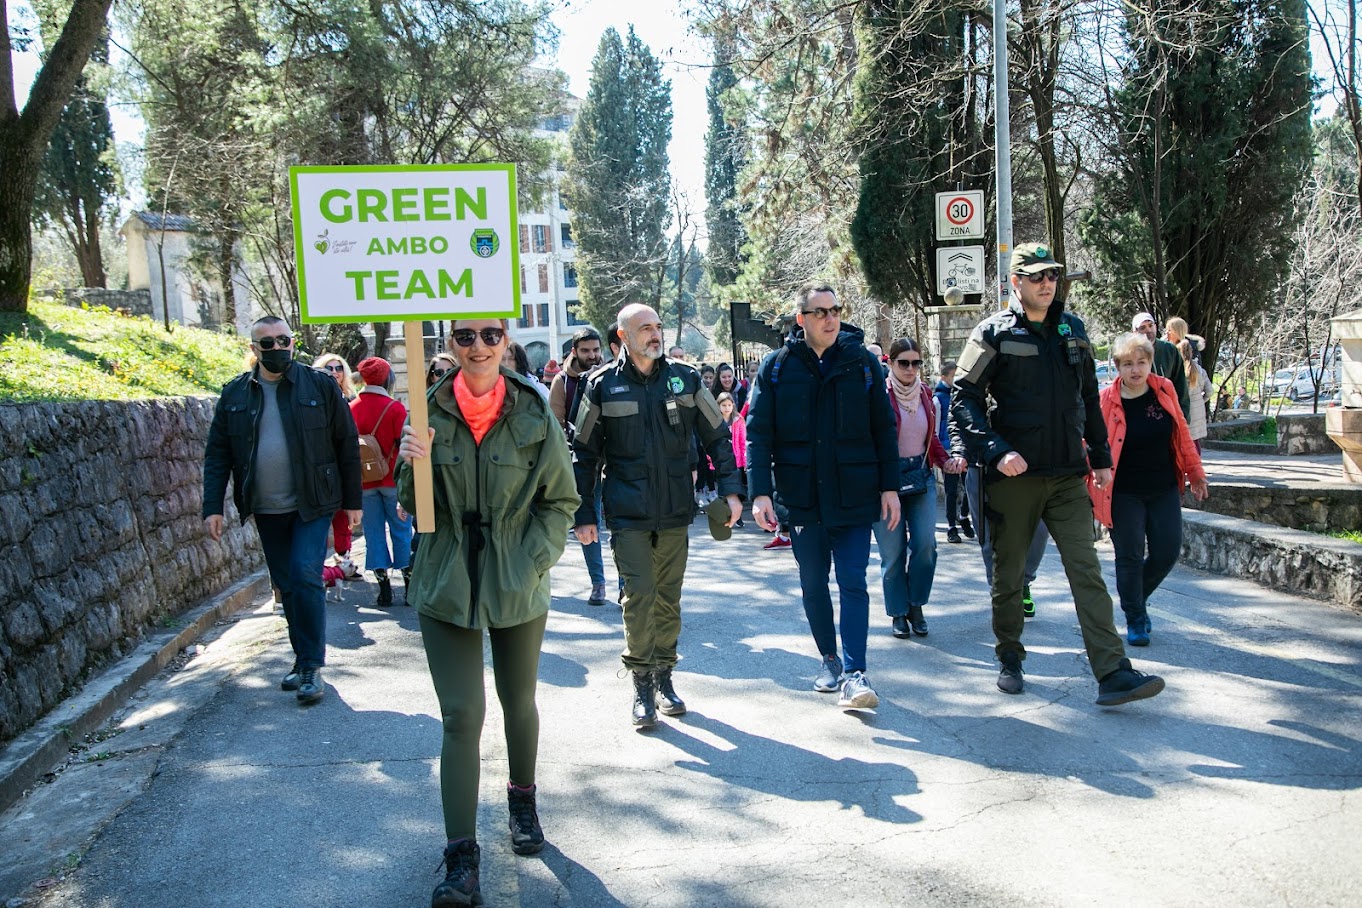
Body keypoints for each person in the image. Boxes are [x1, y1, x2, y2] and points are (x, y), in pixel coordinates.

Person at [395, 318, 578, 908]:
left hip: (515, 574)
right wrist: (407, 461)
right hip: (446, 579)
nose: (477, 347)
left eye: (490, 336)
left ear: (506, 343)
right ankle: (461, 858)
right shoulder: (425, 411)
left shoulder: (531, 408)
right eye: (465, 337)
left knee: (517, 699)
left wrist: (531, 559)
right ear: (451, 344)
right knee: (459, 716)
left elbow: (562, 499)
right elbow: (411, 507)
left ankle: (522, 799)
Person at [952, 243, 1165, 706]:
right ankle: (1010, 654)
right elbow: (962, 398)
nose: (1047, 283)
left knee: (1086, 571)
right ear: (1016, 283)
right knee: (1009, 577)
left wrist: (1103, 457)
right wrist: (994, 449)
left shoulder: (1075, 332)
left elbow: (1089, 398)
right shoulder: (993, 334)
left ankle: (1112, 672)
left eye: (1051, 275)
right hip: (1013, 479)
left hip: (1068, 475)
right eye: (1036, 277)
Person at [572, 303, 742, 727]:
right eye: (644, 328)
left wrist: (732, 491)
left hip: (674, 510)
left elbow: (718, 437)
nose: (654, 333)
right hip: (626, 511)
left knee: (668, 596)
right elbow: (584, 453)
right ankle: (641, 684)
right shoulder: (601, 385)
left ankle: (665, 677)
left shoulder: (683, 379)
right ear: (624, 338)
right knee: (639, 594)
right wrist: (582, 514)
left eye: (658, 326)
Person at [746, 282, 901, 711]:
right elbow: (758, 434)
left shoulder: (864, 363)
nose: (830, 319)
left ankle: (855, 672)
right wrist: (760, 493)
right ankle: (829, 660)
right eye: (820, 312)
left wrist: (890, 487)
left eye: (834, 310)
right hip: (802, 497)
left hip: (855, 495)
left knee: (853, 581)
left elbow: (884, 430)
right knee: (813, 583)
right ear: (802, 319)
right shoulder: (776, 368)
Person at [203, 316, 362, 705]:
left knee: (305, 574)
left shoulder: (320, 385)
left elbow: (346, 443)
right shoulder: (235, 394)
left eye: (283, 340)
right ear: (255, 349)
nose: (277, 349)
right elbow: (217, 455)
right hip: (266, 507)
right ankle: (301, 657)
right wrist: (212, 507)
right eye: (268, 343)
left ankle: (311, 665)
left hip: (313, 502)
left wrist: (353, 502)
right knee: (286, 584)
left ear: (292, 342)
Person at [1090, 332, 1209, 645]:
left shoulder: (1164, 389)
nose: (1135, 370)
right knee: (1128, 556)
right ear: (1117, 366)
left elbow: (1181, 432)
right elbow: (1089, 443)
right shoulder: (1106, 399)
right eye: (1127, 364)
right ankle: (1136, 618)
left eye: (1141, 362)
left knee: (1167, 551)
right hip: (1123, 491)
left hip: (1163, 486)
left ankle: (1134, 598)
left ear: (1150, 363)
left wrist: (1195, 472)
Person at [875, 338, 966, 639]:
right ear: (890, 363)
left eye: (916, 363)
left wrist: (946, 462)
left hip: (921, 476)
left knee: (926, 545)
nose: (911, 369)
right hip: (886, 481)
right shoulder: (877, 395)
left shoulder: (926, 394)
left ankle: (916, 604)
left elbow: (932, 439)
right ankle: (898, 612)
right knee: (893, 553)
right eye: (904, 363)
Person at [548, 328, 609, 606]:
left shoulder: (611, 375)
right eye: (586, 351)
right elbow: (556, 426)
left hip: (615, 463)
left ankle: (626, 583)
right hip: (583, 465)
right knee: (588, 523)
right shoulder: (562, 382)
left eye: (596, 350)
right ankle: (598, 583)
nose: (592, 356)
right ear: (574, 352)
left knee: (623, 527)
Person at [351, 357, 413, 607]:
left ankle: (383, 588)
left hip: (364, 481)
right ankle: (409, 587)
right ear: (388, 378)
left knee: (374, 533)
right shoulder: (395, 408)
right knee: (401, 530)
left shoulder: (351, 407)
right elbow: (403, 446)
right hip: (392, 479)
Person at [314, 353, 357, 564]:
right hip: (321, 466)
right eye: (329, 368)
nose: (334, 372)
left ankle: (344, 560)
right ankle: (319, 566)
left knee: (343, 518)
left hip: (343, 466)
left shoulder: (350, 399)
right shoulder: (314, 399)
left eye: (338, 368)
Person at [933, 360, 973, 544]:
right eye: (953, 376)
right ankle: (951, 526)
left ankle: (963, 516)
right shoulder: (938, 399)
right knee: (951, 490)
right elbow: (935, 429)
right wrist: (941, 454)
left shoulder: (963, 394)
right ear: (944, 377)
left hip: (964, 449)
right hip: (948, 450)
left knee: (969, 487)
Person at [1132, 311, 1190, 420]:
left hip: (1168, 414)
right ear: (1135, 332)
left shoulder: (1169, 350)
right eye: (1143, 328)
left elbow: (1181, 386)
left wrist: (1184, 417)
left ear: (1155, 326)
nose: (1148, 330)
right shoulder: (1130, 353)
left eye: (1150, 325)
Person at [716, 391, 746, 525]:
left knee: (736, 488)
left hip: (736, 459)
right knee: (722, 490)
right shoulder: (716, 420)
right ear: (718, 406)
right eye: (724, 405)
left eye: (729, 404)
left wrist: (744, 460)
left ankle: (738, 517)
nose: (727, 408)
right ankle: (724, 516)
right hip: (720, 460)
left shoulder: (738, 420)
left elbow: (742, 441)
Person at [1179, 335, 1211, 453]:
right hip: (1197, 411)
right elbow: (1209, 391)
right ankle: (1196, 467)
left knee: (1183, 442)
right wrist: (1201, 401)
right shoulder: (1200, 370)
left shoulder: (1177, 370)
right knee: (1195, 442)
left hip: (1183, 411)